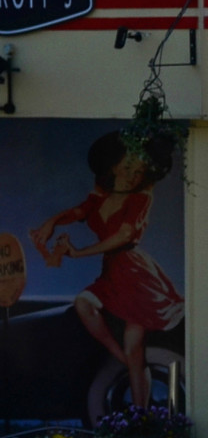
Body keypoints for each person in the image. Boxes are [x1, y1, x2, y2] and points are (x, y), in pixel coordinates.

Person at [29, 131, 182, 409]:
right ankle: (123, 360)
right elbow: (76, 213)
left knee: (134, 345)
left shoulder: (140, 200)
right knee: (84, 303)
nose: (131, 175)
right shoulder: (99, 199)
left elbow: (123, 236)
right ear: (112, 167)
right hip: (112, 274)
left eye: (138, 172)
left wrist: (78, 253)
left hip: (137, 276)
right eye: (126, 167)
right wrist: (52, 222)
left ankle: (141, 416)